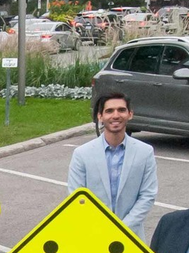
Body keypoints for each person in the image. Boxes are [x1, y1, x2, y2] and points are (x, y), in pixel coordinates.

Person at [67, 92, 159, 233]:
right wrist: (103, 229)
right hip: (93, 235)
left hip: (131, 236)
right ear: (100, 116)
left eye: (121, 110)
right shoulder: (82, 154)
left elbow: (148, 195)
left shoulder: (145, 152)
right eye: (109, 111)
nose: (115, 115)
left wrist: (122, 228)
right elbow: (77, 197)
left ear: (130, 114)